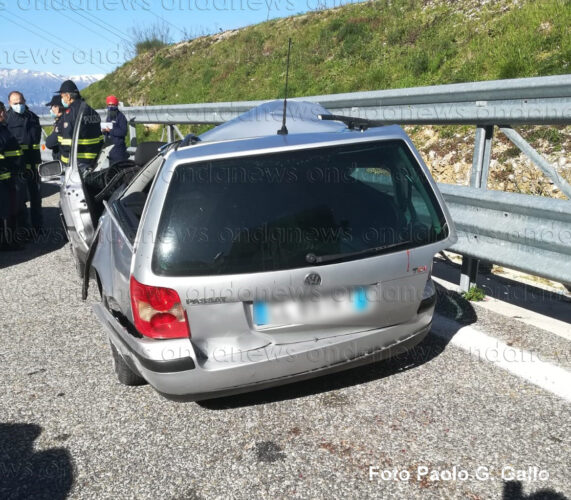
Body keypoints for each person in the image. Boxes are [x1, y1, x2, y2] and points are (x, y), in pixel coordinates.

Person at [5, 90, 42, 232]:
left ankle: (38, 227)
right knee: (20, 199)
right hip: (18, 167)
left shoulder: (33, 118)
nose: (19, 105)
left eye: (21, 102)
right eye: (15, 103)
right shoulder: (7, 119)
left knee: (36, 197)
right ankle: (24, 229)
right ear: (10, 103)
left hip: (33, 165)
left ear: (25, 101)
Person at [55, 79, 103, 170]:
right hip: (93, 161)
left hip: (75, 163)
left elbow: (67, 142)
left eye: (62, 96)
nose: (62, 100)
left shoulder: (70, 113)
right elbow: (100, 138)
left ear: (68, 96)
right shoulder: (91, 111)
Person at [0, 101, 25, 250]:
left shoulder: (4, 129)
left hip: (10, 176)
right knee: (5, 212)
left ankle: (9, 241)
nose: (2, 113)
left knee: (10, 210)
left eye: (2, 110)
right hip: (4, 178)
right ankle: (7, 242)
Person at [102, 95, 129, 164]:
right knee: (112, 169)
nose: (110, 107)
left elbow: (124, 132)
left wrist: (111, 131)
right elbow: (108, 131)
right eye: (109, 105)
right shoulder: (109, 116)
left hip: (118, 148)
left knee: (119, 168)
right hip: (110, 148)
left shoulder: (121, 117)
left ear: (116, 105)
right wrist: (104, 131)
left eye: (112, 105)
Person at [44, 95, 65, 161]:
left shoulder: (61, 123)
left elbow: (50, 143)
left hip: (63, 160)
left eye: (52, 106)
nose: (51, 109)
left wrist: (48, 138)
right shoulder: (67, 119)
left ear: (57, 107)